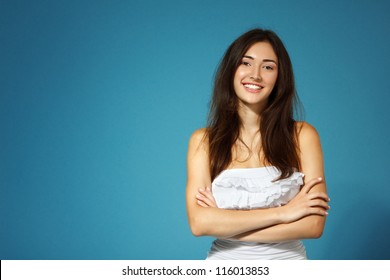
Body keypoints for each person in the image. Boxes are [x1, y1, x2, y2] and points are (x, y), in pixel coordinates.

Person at [185, 28, 330, 260]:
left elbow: (313, 226)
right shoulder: (203, 141)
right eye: (246, 63)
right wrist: (285, 213)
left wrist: (226, 222)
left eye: (268, 67)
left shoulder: (303, 135)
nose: (256, 75)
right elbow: (199, 223)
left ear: (279, 77)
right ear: (231, 70)